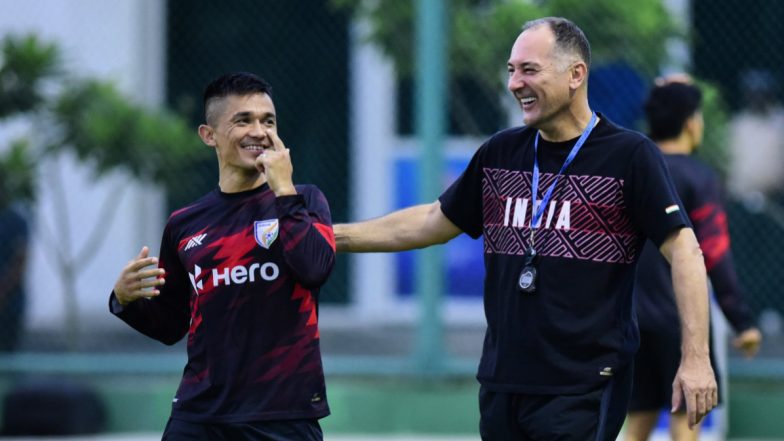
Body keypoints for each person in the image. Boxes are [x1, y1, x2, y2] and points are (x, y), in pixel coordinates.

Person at [334, 17, 718, 441]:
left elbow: (686, 251)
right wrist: (330, 237)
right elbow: (431, 221)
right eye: (511, 70)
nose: (515, 83)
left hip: (584, 384)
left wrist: (696, 358)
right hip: (503, 382)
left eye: (529, 70)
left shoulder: (630, 156)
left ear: (576, 74)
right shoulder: (501, 152)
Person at [108, 72, 336, 441]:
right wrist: (124, 300)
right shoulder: (184, 225)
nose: (259, 131)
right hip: (199, 416)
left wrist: (283, 189)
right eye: (243, 120)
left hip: (282, 414)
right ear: (209, 135)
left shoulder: (304, 200)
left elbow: (314, 269)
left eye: (268, 121)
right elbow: (171, 326)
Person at [625, 79, 762, 441]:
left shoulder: (633, 169)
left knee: (637, 419)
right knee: (687, 418)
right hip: (679, 320)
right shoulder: (699, 177)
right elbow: (714, 253)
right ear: (691, 124)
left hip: (630, 317)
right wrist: (742, 321)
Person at [0, 186, 29, 352]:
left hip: (11, 302)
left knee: (9, 353)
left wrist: (3, 292)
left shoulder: (15, 221)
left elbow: (20, 260)